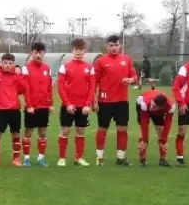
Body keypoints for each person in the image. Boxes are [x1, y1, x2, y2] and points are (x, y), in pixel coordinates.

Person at [93, 34, 139, 167]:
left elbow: (134, 75)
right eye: (111, 45)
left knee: (122, 129)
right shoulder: (101, 61)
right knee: (102, 129)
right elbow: (94, 82)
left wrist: (131, 80)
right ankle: (99, 158)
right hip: (105, 101)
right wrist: (95, 101)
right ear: (107, 47)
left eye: (116, 45)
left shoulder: (126, 59)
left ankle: (121, 158)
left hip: (122, 101)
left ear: (120, 46)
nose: (114, 48)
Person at [57, 38, 95, 167]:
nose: (78, 52)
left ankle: (79, 158)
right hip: (68, 106)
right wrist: (67, 104)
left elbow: (92, 87)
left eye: (80, 49)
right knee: (65, 131)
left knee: (80, 131)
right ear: (72, 50)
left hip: (83, 107)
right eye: (75, 49)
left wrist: (88, 104)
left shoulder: (89, 68)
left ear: (85, 51)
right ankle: (62, 158)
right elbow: (60, 87)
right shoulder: (65, 67)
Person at [0, 53, 26, 167]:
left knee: (15, 135)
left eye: (10, 63)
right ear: (2, 64)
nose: (8, 65)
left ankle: (16, 159)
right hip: (1, 110)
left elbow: (22, 89)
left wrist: (19, 75)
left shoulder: (16, 76)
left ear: (13, 64)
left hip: (14, 110)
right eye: (5, 63)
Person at [21, 42, 53, 167]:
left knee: (43, 132)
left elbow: (49, 88)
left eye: (40, 52)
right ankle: (27, 157)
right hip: (32, 107)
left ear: (44, 53)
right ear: (31, 53)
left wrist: (50, 104)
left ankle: (41, 158)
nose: (38, 55)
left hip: (44, 106)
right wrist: (29, 105)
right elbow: (26, 88)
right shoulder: (26, 68)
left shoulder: (47, 68)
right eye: (35, 52)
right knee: (28, 132)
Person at [136, 88, 175, 167]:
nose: (152, 106)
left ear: (161, 107)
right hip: (142, 107)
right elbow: (145, 126)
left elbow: (167, 126)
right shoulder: (144, 104)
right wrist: (145, 141)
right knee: (142, 132)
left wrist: (163, 140)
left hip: (159, 112)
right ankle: (142, 158)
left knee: (161, 130)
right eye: (152, 104)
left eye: (154, 106)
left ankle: (162, 159)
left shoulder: (170, 107)